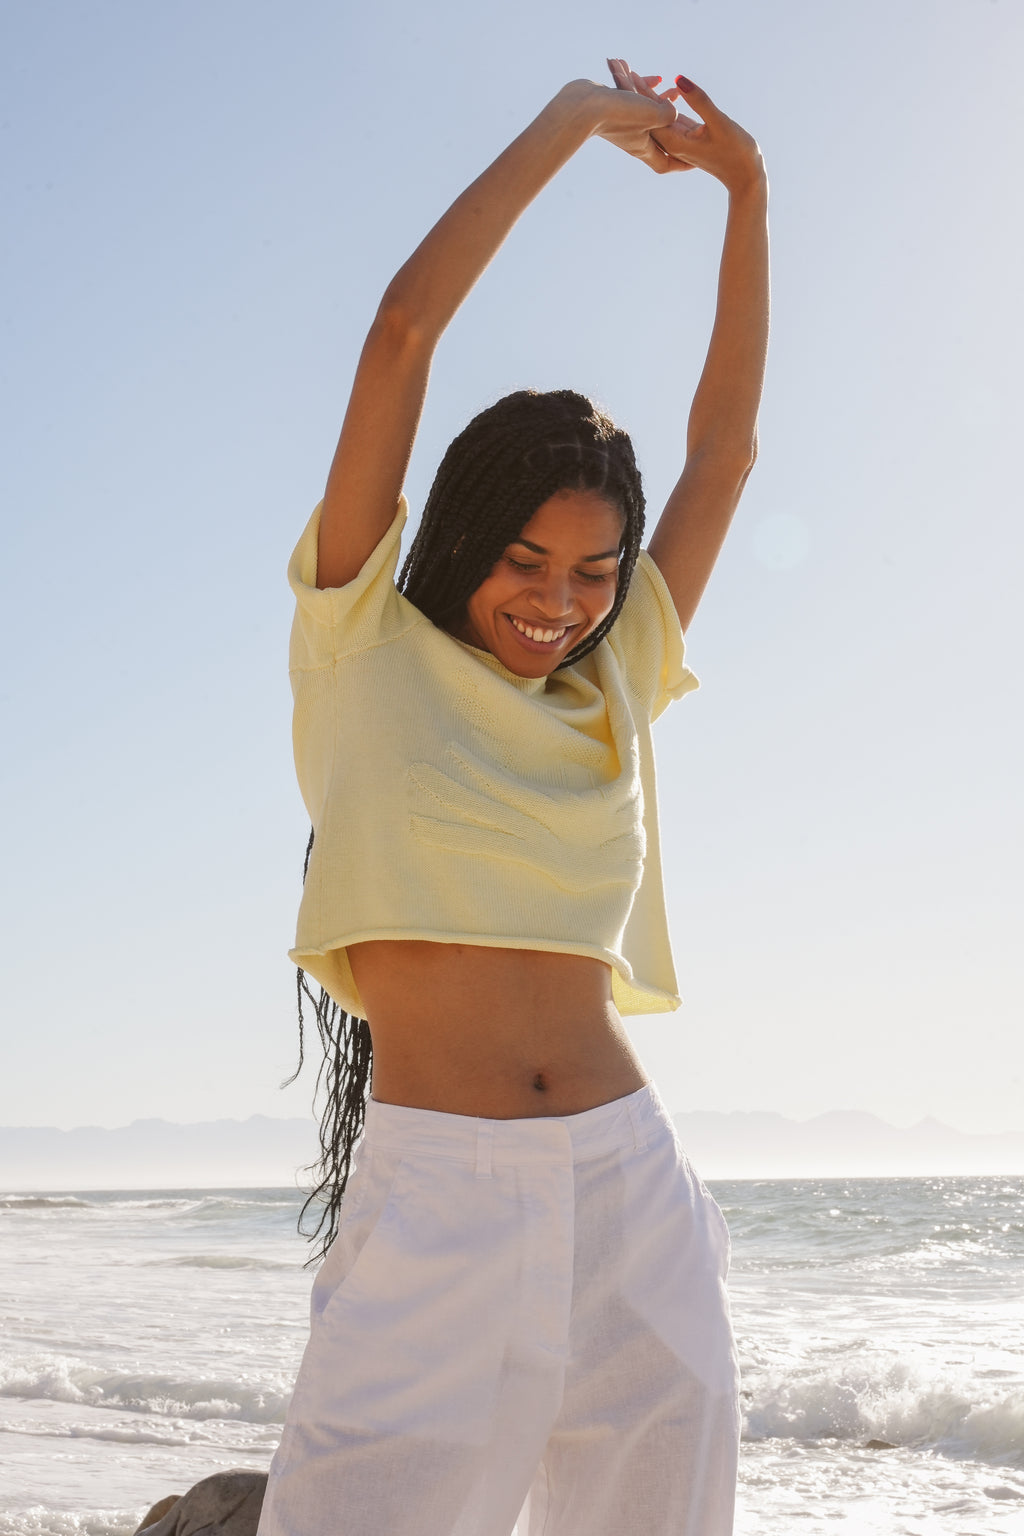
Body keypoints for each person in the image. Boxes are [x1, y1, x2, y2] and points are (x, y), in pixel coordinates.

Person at [259, 58, 769, 1536]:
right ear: (465, 535)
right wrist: (564, 123)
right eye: (527, 561)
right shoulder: (364, 643)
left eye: (597, 571)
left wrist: (749, 192)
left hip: (631, 1193)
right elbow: (401, 333)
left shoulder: (617, 680)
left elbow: (728, 449)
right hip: (437, 1203)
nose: (560, 603)